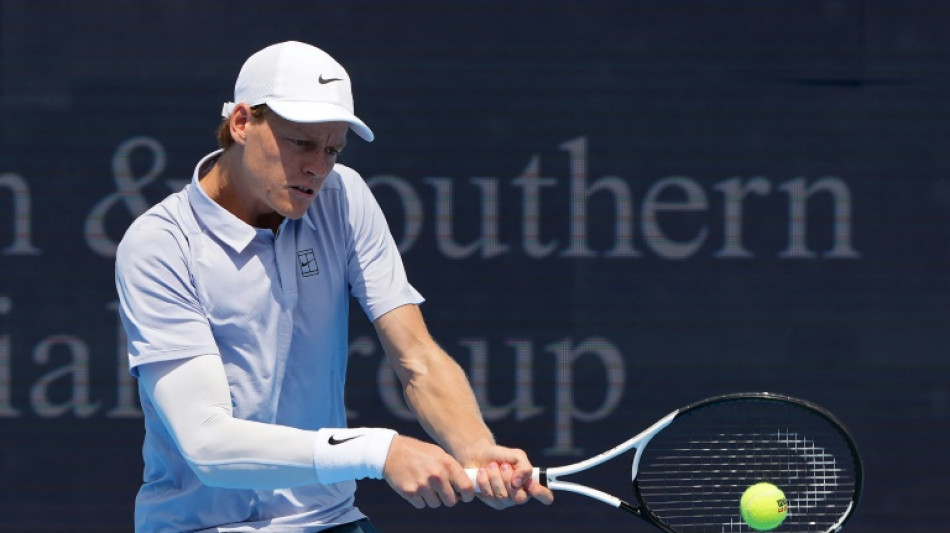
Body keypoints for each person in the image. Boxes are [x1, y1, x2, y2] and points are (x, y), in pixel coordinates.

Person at [115, 41, 554, 533]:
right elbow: (207, 444)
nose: (319, 168)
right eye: (301, 143)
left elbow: (417, 358)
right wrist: (377, 450)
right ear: (242, 123)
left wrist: (475, 449)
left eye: (332, 149)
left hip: (330, 521)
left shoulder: (344, 198)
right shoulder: (160, 244)